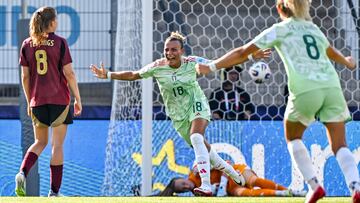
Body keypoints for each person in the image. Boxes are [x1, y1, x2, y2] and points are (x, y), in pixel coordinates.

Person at [196, 0, 360, 202]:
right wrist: (347, 61)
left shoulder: (280, 29)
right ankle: (355, 187)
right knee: (339, 144)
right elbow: (329, 51)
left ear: (280, 8)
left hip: (306, 88)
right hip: (332, 87)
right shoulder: (313, 28)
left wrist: (211, 66)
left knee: (293, 137)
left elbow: (241, 52)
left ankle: (314, 186)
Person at [90, 31, 269, 196]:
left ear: (181, 51)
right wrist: (108, 75)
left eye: (174, 49)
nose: (169, 53)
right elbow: (133, 74)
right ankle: (231, 171)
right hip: (178, 116)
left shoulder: (192, 63)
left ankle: (205, 185)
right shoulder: (157, 67)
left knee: (196, 137)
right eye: (166, 50)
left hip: (197, 105)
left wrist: (251, 56)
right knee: (206, 152)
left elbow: (220, 63)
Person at [16, 7, 82, 197]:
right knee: (57, 145)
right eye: (56, 20)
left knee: (39, 142)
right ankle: (53, 193)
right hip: (59, 100)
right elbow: (69, 73)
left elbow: (25, 77)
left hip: (37, 101)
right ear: (52, 22)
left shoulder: (27, 44)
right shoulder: (60, 42)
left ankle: (22, 172)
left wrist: (30, 102)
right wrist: (78, 98)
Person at [157, 162, 304, 197]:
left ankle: (292, 191)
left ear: (183, 178)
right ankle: (283, 195)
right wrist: (221, 187)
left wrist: (224, 180)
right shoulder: (198, 193)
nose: (185, 186)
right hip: (231, 188)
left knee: (253, 181)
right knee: (246, 194)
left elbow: (225, 162)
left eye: (182, 183)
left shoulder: (196, 172)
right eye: (182, 189)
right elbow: (220, 195)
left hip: (235, 171)